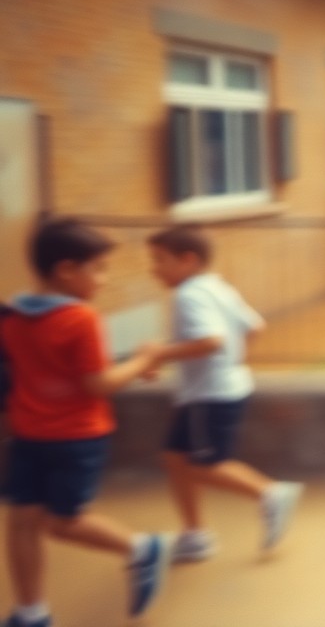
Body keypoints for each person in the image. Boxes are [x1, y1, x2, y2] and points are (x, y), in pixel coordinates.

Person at [0, 218, 173, 627]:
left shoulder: (11, 314)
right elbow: (99, 384)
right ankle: (31, 612)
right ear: (65, 270)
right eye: (97, 269)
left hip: (30, 435)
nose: (104, 279)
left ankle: (139, 549)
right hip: (75, 439)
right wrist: (145, 360)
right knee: (54, 522)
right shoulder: (81, 319)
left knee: (40, 523)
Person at [145, 225, 304, 564]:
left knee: (203, 466)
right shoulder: (217, 287)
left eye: (160, 260)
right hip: (217, 390)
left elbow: (210, 341)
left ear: (188, 260)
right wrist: (235, 360)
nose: (153, 269)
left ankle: (270, 494)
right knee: (175, 458)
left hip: (208, 396)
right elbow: (254, 326)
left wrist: (159, 354)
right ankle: (194, 534)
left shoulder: (188, 294)